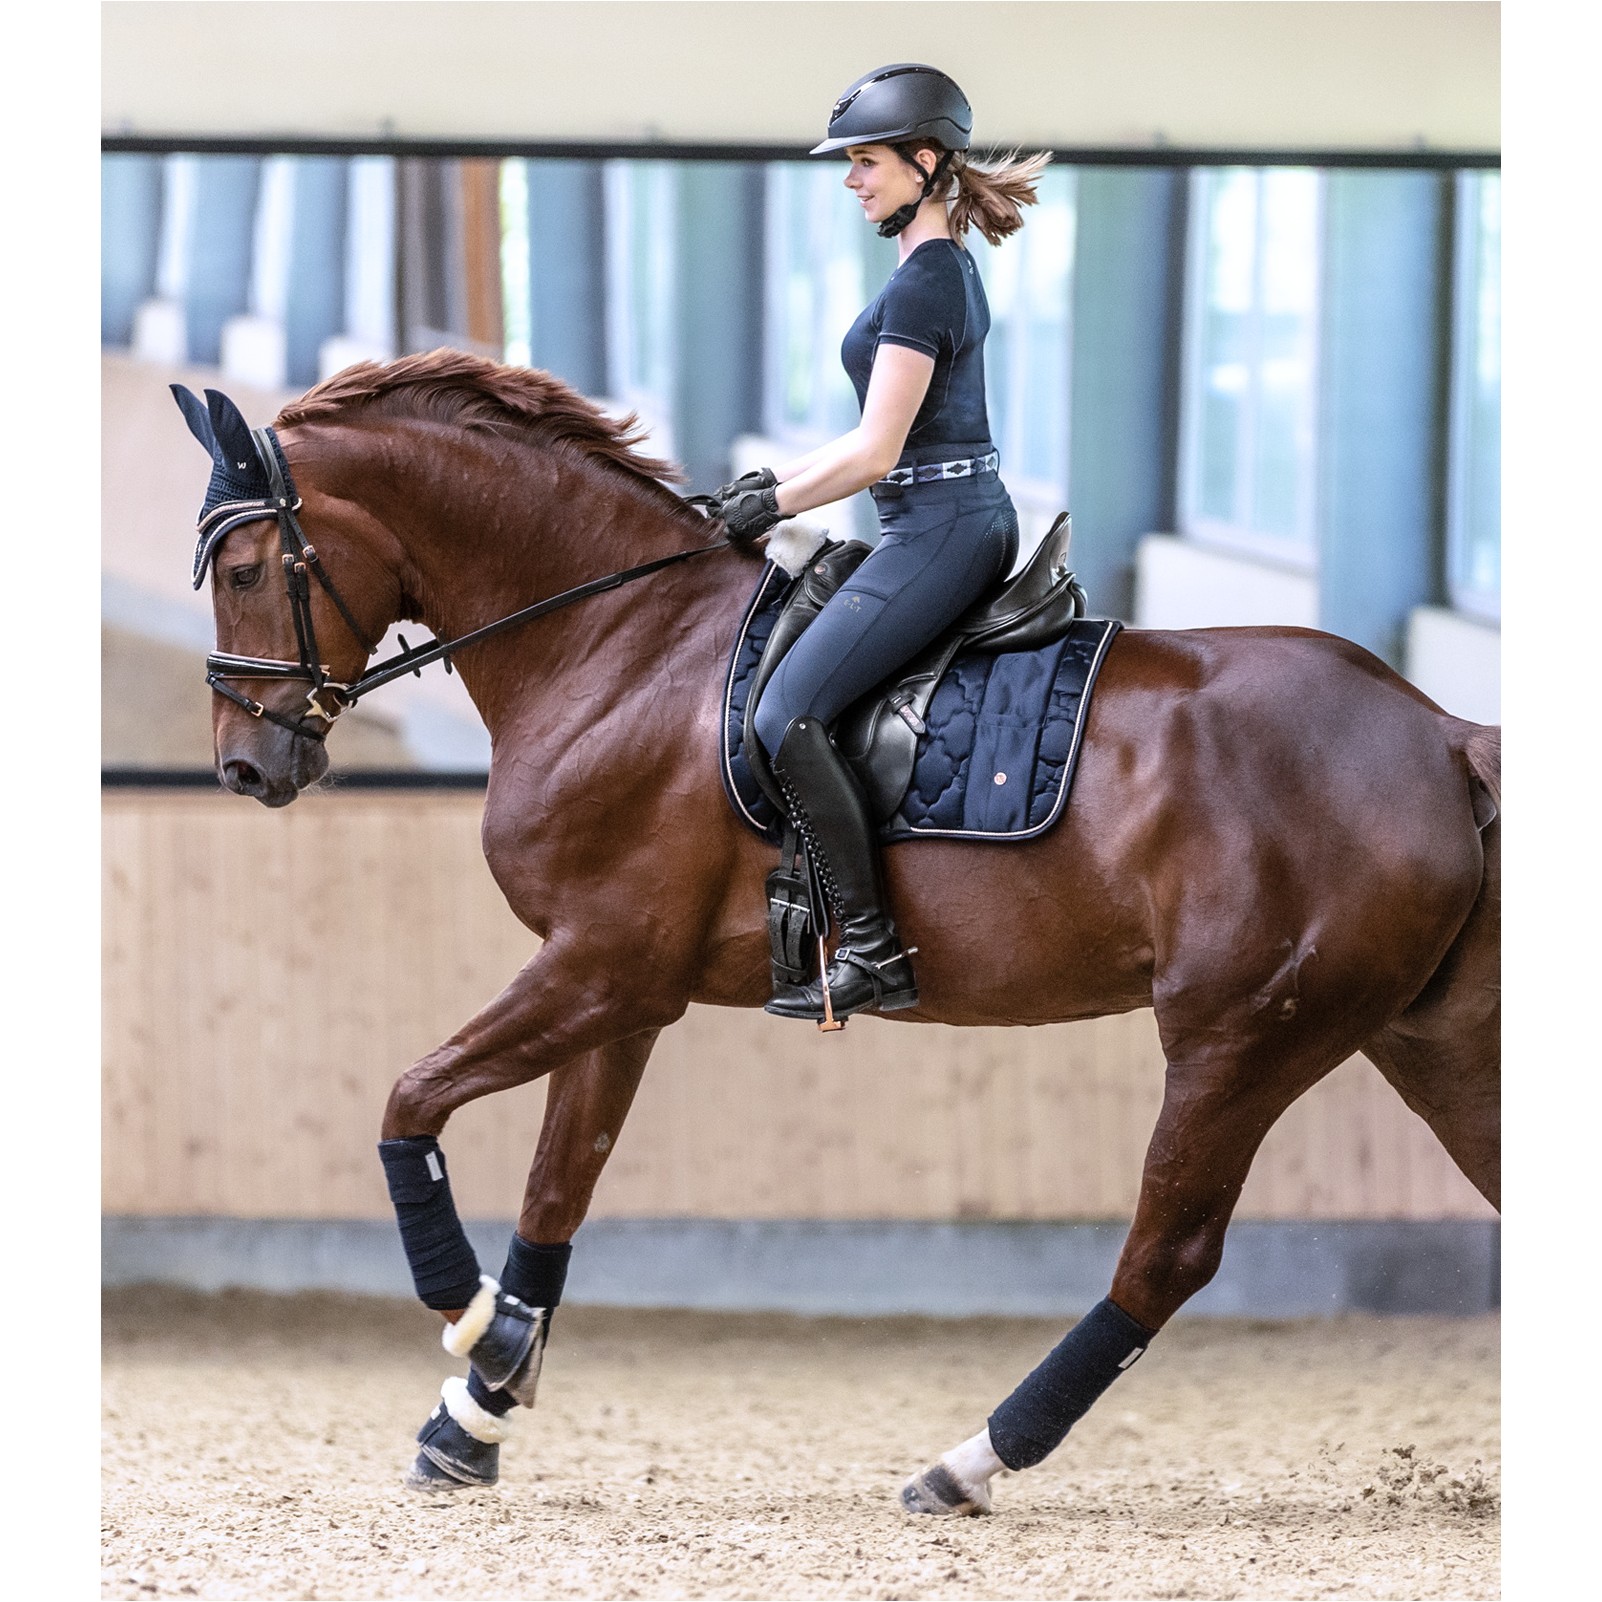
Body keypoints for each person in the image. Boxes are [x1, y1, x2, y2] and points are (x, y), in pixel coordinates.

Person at [713, 62, 1050, 1023]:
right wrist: (766, 489)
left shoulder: (928, 283)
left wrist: (769, 501)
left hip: (941, 528)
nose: (853, 180)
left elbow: (876, 450)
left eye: (865, 162)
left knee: (786, 717)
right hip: (939, 517)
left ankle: (868, 948)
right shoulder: (925, 274)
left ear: (924, 161)